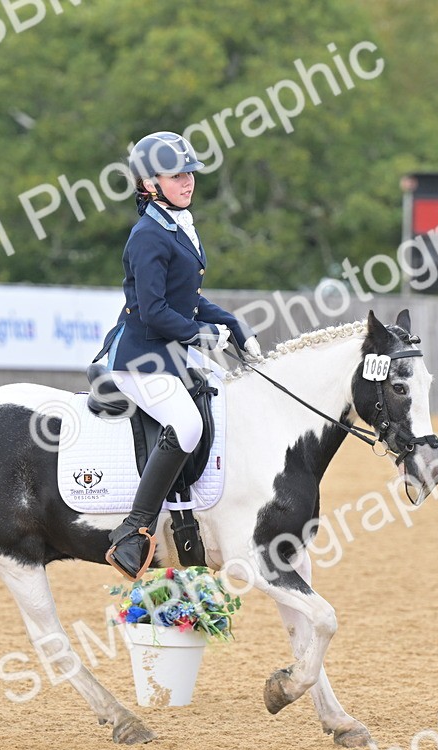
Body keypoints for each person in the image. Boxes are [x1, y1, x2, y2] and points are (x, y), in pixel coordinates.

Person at [94, 131, 262, 580]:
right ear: (149, 183)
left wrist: (234, 325)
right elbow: (154, 311)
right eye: (176, 176)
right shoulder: (148, 235)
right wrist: (201, 335)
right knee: (187, 425)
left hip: (171, 355)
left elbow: (188, 299)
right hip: (139, 360)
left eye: (189, 174)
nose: (187, 182)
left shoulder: (177, 224)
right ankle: (134, 531)